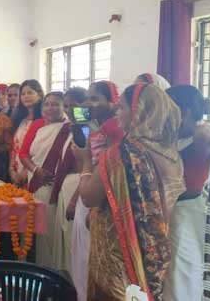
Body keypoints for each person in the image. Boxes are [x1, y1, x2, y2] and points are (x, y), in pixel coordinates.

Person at [77, 83, 185, 300]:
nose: (118, 112)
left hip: (118, 253)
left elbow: (88, 197)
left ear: (140, 111)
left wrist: (86, 163)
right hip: (154, 251)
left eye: (122, 108)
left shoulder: (123, 154)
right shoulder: (171, 154)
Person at [164, 85, 210, 301]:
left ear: (184, 112)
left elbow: (206, 133)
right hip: (169, 213)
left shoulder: (200, 138)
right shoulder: (172, 137)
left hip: (184, 215)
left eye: (168, 108)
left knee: (181, 276)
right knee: (169, 276)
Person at [69, 81, 124, 300]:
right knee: (82, 256)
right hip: (88, 189)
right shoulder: (94, 125)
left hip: (101, 197)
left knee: (89, 257)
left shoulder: (112, 127)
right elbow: (89, 162)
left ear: (112, 102)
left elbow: (109, 168)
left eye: (95, 99)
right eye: (87, 99)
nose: (89, 104)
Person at [18, 92, 74, 269]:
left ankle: (52, 268)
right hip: (36, 182)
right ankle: (35, 266)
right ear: (42, 108)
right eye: (47, 104)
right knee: (35, 227)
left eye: (56, 104)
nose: (51, 108)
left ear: (64, 106)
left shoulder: (69, 128)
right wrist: (35, 170)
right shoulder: (37, 125)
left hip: (58, 185)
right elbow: (23, 154)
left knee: (52, 229)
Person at [53, 87, 87, 275]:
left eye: (73, 105)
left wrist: (75, 199)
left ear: (84, 106)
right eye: (65, 105)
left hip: (79, 187)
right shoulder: (72, 126)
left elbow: (90, 165)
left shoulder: (85, 128)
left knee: (76, 241)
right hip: (67, 186)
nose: (68, 110)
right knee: (67, 237)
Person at [9, 79, 44, 186]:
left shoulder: (44, 121)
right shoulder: (21, 120)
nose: (25, 96)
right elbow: (14, 147)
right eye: (23, 94)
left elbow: (41, 151)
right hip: (16, 172)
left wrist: (26, 173)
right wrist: (11, 170)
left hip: (34, 172)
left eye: (30, 93)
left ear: (39, 95)